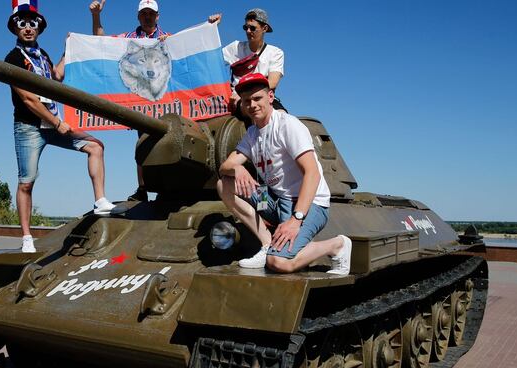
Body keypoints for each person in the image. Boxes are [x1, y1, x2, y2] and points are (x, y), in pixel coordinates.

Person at [5, 0, 115, 253]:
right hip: (30, 126)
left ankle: (100, 201)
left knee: (95, 146)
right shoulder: (13, 58)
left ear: (39, 27)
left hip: (53, 123)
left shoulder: (41, 55)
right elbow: (28, 99)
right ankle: (26, 237)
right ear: (15, 28)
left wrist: (68, 50)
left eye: (33, 23)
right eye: (22, 24)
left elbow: (56, 77)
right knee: (26, 182)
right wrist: (57, 122)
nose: (28, 28)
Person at [216, 73, 351, 275]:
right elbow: (224, 166)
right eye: (247, 101)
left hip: (308, 201)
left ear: (270, 97)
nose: (252, 104)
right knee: (224, 184)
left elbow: (312, 173)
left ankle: (337, 245)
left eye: (257, 98)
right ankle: (266, 244)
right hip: (275, 199)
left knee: (278, 263)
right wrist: (237, 168)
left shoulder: (288, 125)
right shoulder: (252, 134)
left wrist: (295, 220)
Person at [88, 0, 221, 201]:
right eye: (144, 14)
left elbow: (190, 43)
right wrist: (96, 16)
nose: (147, 17)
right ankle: (143, 188)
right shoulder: (128, 39)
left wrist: (209, 26)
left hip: (165, 100)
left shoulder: (167, 38)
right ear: (138, 16)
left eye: (151, 13)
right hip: (141, 100)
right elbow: (102, 42)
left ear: (157, 16)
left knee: (175, 140)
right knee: (143, 142)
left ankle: (174, 187)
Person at [222, 8, 285, 114]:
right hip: (239, 98)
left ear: (264, 28)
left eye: (252, 28)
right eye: (245, 27)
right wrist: (212, 27)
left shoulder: (275, 52)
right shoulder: (235, 47)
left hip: (264, 98)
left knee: (283, 116)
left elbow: (272, 82)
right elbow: (212, 60)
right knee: (255, 111)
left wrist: (249, 93)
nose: (248, 31)